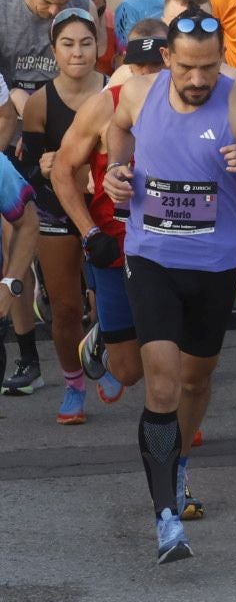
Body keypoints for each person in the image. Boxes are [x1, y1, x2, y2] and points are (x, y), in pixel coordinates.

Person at [102, 10, 236, 563]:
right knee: (162, 385)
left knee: (196, 379)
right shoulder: (135, 92)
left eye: (208, 67)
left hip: (213, 262)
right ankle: (165, 515)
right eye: (187, 68)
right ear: (166, 59)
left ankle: (177, 464)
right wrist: (116, 168)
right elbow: (115, 129)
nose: (198, 79)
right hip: (150, 254)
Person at [54, 28, 168, 402]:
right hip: (115, 245)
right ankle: (104, 332)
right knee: (128, 371)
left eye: (159, 64)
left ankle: (175, 418)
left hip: (174, 245)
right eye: (142, 66)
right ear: (127, 68)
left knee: (174, 351)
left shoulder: (197, 104)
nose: (151, 74)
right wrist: (89, 234)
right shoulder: (105, 105)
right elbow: (62, 170)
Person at [19, 9, 109, 422]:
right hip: (57, 211)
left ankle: (107, 353)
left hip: (106, 208)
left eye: (86, 43)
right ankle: (74, 384)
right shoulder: (39, 102)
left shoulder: (115, 91)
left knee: (107, 300)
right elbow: (30, 174)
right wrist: (48, 165)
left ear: (99, 47)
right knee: (67, 307)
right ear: (53, 50)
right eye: (68, 44)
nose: (78, 53)